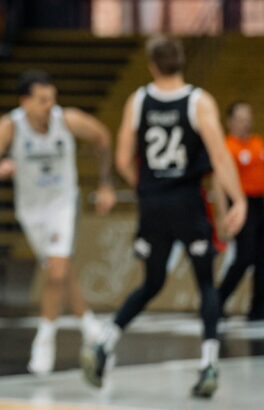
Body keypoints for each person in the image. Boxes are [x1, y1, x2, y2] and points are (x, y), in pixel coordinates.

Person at [82, 35, 247, 399]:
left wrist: (149, 187)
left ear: (152, 65)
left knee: (152, 283)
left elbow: (124, 158)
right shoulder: (198, 101)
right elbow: (220, 157)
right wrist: (238, 201)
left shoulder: (139, 100)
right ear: (181, 60)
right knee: (206, 284)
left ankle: (104, 342)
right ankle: (208, 364)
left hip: (154, 206)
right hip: (188, 203)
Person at [0, 70, 116, 375]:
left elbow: (103, 137)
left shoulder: (68, 120)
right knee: (58, 272)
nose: (49, 105)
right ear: (25, 103)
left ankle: (44, 339)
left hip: (63, 204)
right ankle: (91, 327)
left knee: (57, 271)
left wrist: (106, 184)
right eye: (42, 100)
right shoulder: (10, 126)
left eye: (52, 99)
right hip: (31, 210)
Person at [217, 102, 264, 322]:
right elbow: (219, 182)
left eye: (248, 117)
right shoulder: (227, 147)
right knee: (244, 257)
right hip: (241, 204)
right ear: (230, 122)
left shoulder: (259, 143)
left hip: (259, 203)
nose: (246, 123)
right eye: (241, 118)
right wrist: (224, 213)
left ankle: (259, 308)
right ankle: (218, 300)